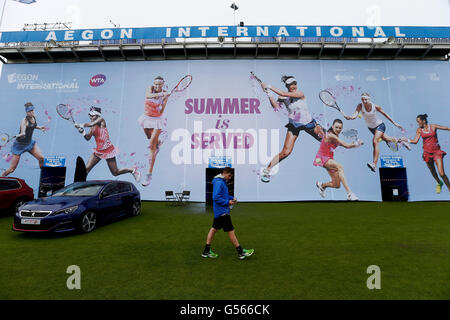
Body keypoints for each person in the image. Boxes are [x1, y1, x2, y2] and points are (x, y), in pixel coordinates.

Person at [259, 75, 324, 182]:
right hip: (294, 125)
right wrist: (269, 93)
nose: (293, 86)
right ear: (287, 86)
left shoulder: (300, 94)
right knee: (286, 152)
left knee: (326, 139)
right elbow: (276, 107)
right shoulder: (283, 98)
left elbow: (283, 93)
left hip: (309, 123)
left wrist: (269, 86)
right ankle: (267, 170)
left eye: (295, 84)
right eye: (291, 85)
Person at [344, 93, 410, 172]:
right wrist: (350, 117)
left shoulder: (375, 106)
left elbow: (385, 114)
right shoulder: (360, 106)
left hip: (380, 125)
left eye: (366, 99)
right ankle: (402, 141)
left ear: (369, 99)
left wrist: (394, 123)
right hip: (371, 128)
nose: (364, 101)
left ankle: (374, 164)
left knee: (375, 141)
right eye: (363, 99)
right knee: (387, 139)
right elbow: (355, 115)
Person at [202, 167, 254, 260]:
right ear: (225, 173)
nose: (230, 177)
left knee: (213, 230)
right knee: (231, 231)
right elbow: (216, 197)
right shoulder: (219, 182)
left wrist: (231, 198)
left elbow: (223, 195)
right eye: (229, 175)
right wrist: (228, 202)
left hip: (220, 212)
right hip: (222, 212)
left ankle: (206, 252)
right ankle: (241, 252)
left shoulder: (221, 182)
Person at [75, 106, 140, 181]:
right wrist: (82, 132)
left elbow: (90, 124)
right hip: (99, 151)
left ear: (98, 115)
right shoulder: (92, 128)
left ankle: (132, 170)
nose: (91, 117)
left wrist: (81, 125)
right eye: (90, 115)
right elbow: (87, 138)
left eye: (93, 115)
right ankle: (80, 185)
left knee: (115, 172)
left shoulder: (101, 120)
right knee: (86, 169)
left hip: (108, 150)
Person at [314, 119, 362, 201]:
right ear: (332, 126)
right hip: (321, 158)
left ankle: (322, 185)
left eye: (340, 128)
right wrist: (357, 144)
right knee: (340, 167)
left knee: (336, 184)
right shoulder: (331, 135)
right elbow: (346, 145)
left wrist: (355, 144)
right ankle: (349, 194)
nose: (338, 129)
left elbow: (346, 145)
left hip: (328, 158)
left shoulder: (336, 137)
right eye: (336, 127)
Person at [138, 76, 171, 187]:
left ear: (163, 84)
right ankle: (159, 141)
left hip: (157, 119)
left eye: (159, 84)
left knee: (151, 145)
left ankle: (149, 174)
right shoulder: (150, 89)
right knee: (149, 137)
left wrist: (164, 99)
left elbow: (161, 111)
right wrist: (161, 95)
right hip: (146, 118)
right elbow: (148, 96)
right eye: (156, 84)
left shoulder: (165, 94)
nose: (157, 86)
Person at [407, 114, 450, 194]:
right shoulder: (419, 130)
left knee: (441, 173)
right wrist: (406, 140)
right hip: (427, 153)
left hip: (437, 152)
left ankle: (449, 189)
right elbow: (415, 141)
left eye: (419, 122)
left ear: (424, 121)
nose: (418, 123)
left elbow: (447, 128)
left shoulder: (433, 127)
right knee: (433, 172)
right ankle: (439, 183)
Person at [2, 102, 47, 177]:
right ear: (26, 112)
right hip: (19, 146)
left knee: (41, 158)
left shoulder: (34, 117)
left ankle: (43, 176)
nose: (31, 112)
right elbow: (23, 132)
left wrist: (40, 127)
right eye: (29, 111)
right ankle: (2, 177)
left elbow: (33, 126)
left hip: (29, 144)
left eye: (32, 111)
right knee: (12, 169)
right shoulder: (24, 120)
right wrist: (19, 135)